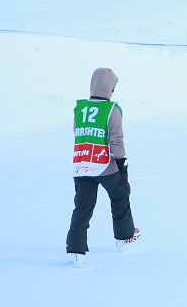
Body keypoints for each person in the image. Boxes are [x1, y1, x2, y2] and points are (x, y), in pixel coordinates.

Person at [66, 67, 140, 267]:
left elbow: (77, 131)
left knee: (82, 207)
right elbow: (116, 139)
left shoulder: (80, 108)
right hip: (105, 165)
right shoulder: (112, 109)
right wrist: (121, 164)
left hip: (82, 165)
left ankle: (76, 251)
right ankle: (124, 237)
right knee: (120, 194)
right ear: (109, 88)